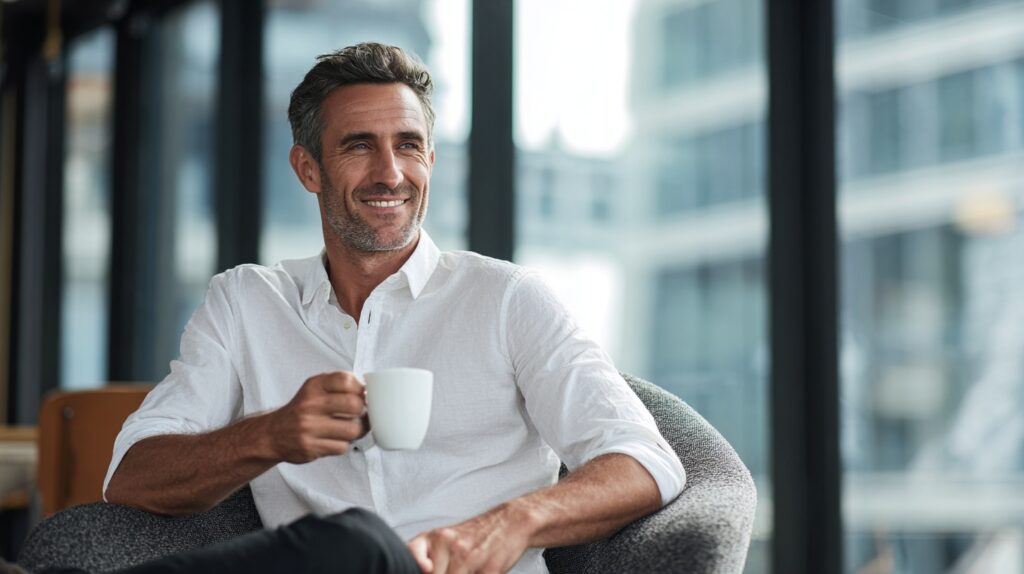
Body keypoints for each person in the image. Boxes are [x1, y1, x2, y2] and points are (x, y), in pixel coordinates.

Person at [101, 42, 685, 574]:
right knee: (353, 544)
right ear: (308, 169)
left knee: (358, 541)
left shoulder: (508, 298)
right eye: (359, 146)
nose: (390, 174)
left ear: (429, 160)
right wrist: (271, 434)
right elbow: (131, 476)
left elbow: (645, 461)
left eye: (408, 146)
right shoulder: (245, 302)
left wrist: (511, 523)